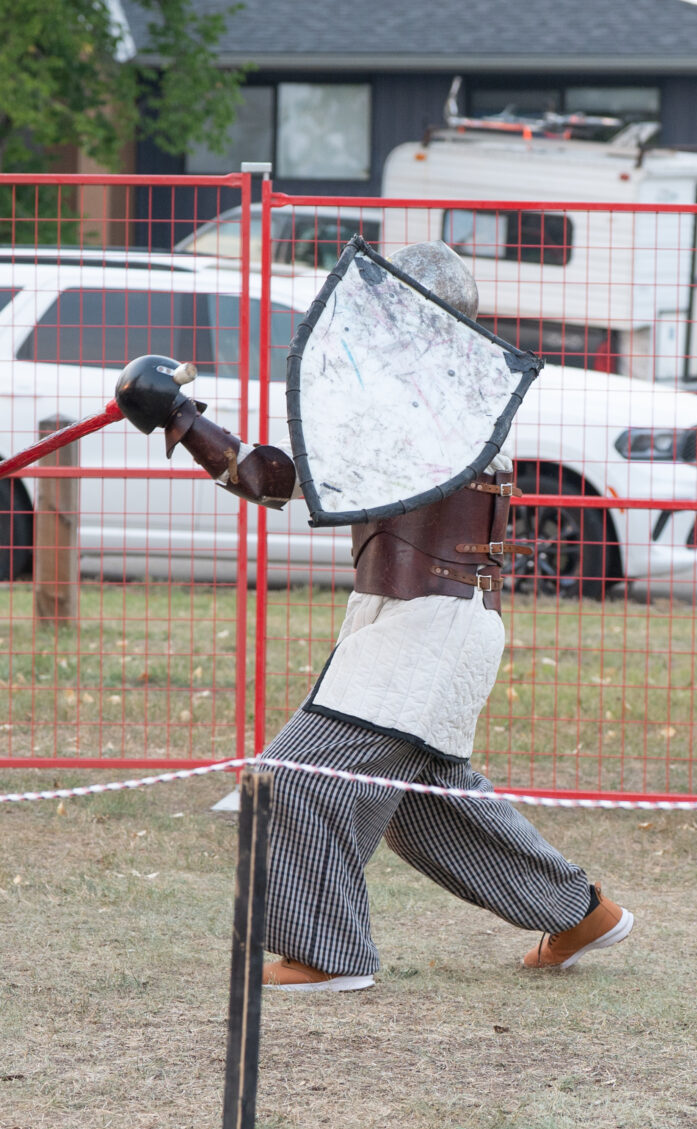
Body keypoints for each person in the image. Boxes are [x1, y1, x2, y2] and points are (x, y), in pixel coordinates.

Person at [115, 241, 630, 996]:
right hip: (429, 619)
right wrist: (187, 424)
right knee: (425, 808)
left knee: (294, 777)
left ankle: (328, 953)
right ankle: (580, 914)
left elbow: (282, 478)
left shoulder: (440, 403)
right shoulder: (429, 398)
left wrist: (185, 418)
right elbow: (293, 476)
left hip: (431, 623)